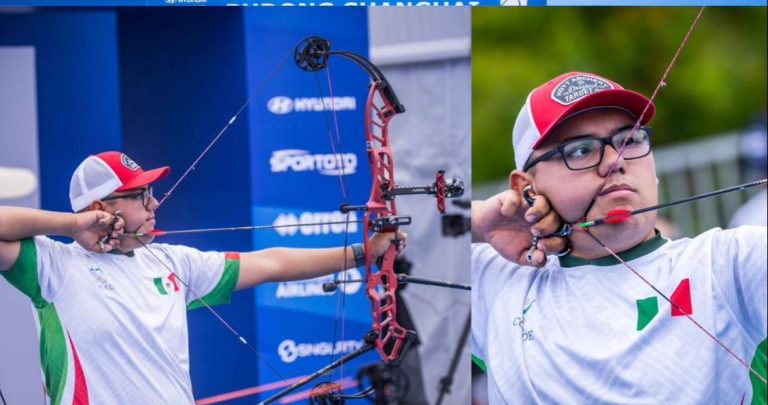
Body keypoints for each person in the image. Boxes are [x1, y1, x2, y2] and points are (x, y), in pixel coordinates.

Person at [0, 151, 404, 404]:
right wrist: (72, 225)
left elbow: (271, 263)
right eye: (140, 195)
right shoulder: (53, 266)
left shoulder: (170, 262)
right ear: (101, 207)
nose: (154, 202)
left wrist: (362, 253)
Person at [471, 72, 767, 403]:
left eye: (632, 138)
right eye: (580, 150)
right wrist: (479, 220)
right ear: (526, 187)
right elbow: (405, 222)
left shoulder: (730, 265)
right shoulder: (497, 285)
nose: (617, 161)